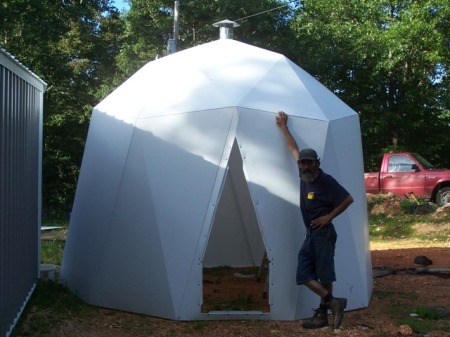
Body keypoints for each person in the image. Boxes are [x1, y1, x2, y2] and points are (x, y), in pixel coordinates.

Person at [275, 111, 354, 329]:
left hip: (324, 234)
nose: (305, 166)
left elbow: (348, 199)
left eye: (309, 163)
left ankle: (322, 315)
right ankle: (332, 303)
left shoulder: (325, 181)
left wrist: (329, 216)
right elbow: (293, 149)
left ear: (317, 163)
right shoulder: (304, 176)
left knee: (324, 274)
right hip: (312, 234)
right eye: (302, 163)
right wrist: (283, 126)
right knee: (304, 273)